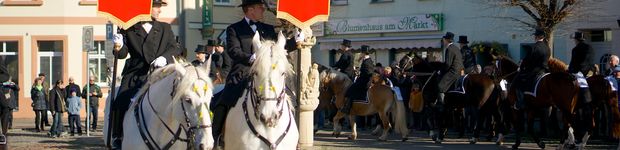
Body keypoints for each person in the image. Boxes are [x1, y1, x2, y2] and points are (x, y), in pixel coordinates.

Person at [211, 0, 299, 143]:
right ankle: (216, 138)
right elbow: (234, 51)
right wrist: (252, 58)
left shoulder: (268, 28)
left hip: (267, 75)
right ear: (250, 10)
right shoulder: (234, 29)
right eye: (260, 7)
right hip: (242, 73)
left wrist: (295, 41)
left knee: (288, 99)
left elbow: (279, 49)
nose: (263, 10)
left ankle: (290, 138)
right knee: (223, 101)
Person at [111, 0, 181, 147]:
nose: (159, 10)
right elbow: (122, 54)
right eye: (157, 6)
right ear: (146, 7)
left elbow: (175, 48)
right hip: (136, 74)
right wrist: (119, 45)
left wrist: (164, 58)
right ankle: (118, 136)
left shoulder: (165, 28)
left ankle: (183, 135)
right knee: (120, 101)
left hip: (160, 73)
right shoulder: (128, 28)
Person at [512, 29, 551, 110]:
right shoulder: (547, 48)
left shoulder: (533, 47)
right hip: (545, 71)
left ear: (536, 37)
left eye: (535, 36)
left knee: (517, 81)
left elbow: (526, 60)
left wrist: (521, 68)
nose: (534, 37)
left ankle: (521, 102)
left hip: (534, 71)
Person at [341, 45, 374, 114]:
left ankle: (347, 107)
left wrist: (360, 74)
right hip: (363, 80)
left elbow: (368, 72)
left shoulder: (367, 61)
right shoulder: (367, 60)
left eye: (361, 53)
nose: (360, 54)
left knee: (350, 89)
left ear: (364, 53)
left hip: (364, 82)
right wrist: (359, 72)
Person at [437, 32, 464, 104]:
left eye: (444, 39)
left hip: (454, 71)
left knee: (440, 86)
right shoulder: (456, 48)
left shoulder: (449, 49)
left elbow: (448, 64)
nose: (443, 41)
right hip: (461, 70)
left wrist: (441, 71)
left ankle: (442, 105)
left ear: (446, 40)